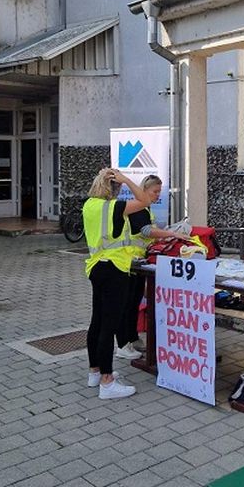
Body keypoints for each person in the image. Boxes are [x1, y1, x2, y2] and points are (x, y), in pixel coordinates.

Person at [83, 167, 153, 399]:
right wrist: (128, 180)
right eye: (120, 186)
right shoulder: (114, 207)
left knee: (97, 322)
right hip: (115, 269)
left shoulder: (89, 205)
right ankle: (107, 381)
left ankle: (94, 372)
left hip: (96, 267)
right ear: (115, 188)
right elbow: (144, 201)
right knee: (108, 326)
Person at [116, 174, 191, 358]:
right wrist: (171, 234)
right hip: (129, 261)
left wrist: (166, 234)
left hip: (138, 261)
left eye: (159, 191)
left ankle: (132, 338)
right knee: (127, 303)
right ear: (144, 190)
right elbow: (146, 231)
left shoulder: (144, 209)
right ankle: (123, 345)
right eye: (155, 191)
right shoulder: (138, 208)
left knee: (134, 302)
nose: (158, 195)